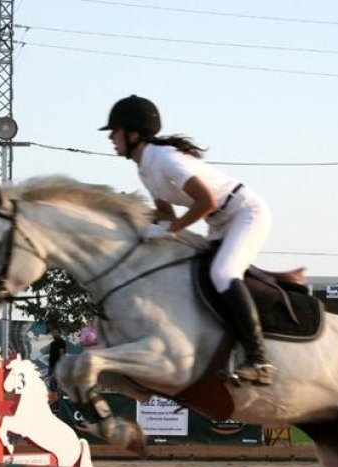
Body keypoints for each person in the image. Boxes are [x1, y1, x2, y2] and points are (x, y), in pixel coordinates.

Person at [101, 95, 274, 385]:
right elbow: (166, 213)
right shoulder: (144, 167)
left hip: (245, 212)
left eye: (114, 131)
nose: (110, 137)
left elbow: (204, 200)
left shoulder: (165, 159)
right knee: (195, 275)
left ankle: (259, 359)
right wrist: (132, 221)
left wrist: (171, 230)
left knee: (223, 273)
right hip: (219, 221)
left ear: (133, 133)